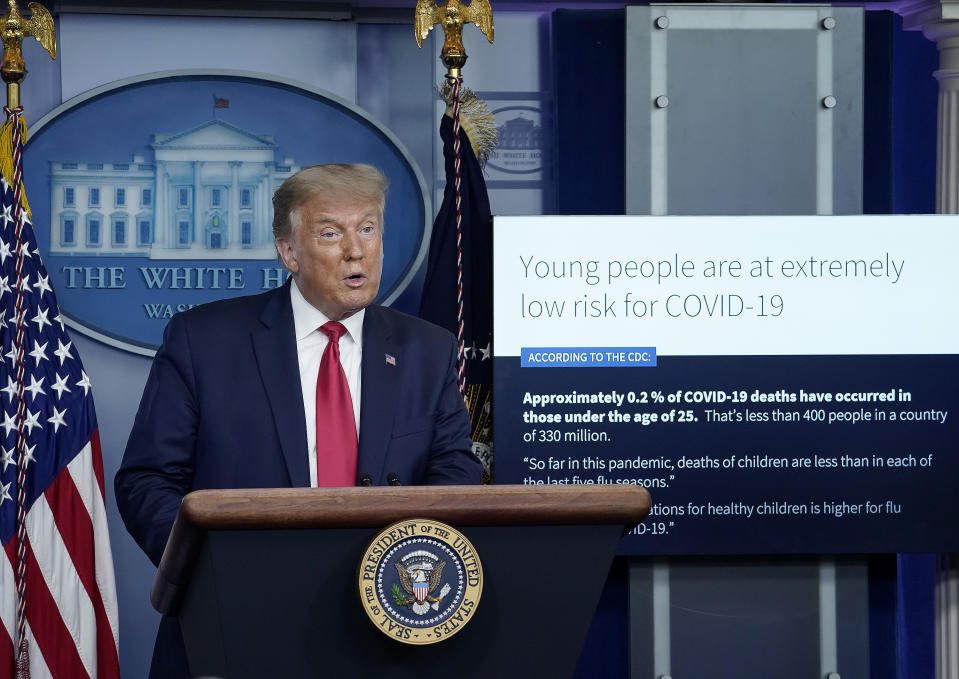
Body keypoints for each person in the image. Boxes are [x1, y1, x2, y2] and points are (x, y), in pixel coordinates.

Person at [115, 163, 482, 678]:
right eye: (331, 233)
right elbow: (147, 480)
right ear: (289, 252)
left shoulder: (428, 349)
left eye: (368, 228)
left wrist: (404, 565)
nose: (356, 250)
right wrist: (207, 571)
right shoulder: (205, 341)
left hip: (387, 629)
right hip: (237, 625)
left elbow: (455, 473)